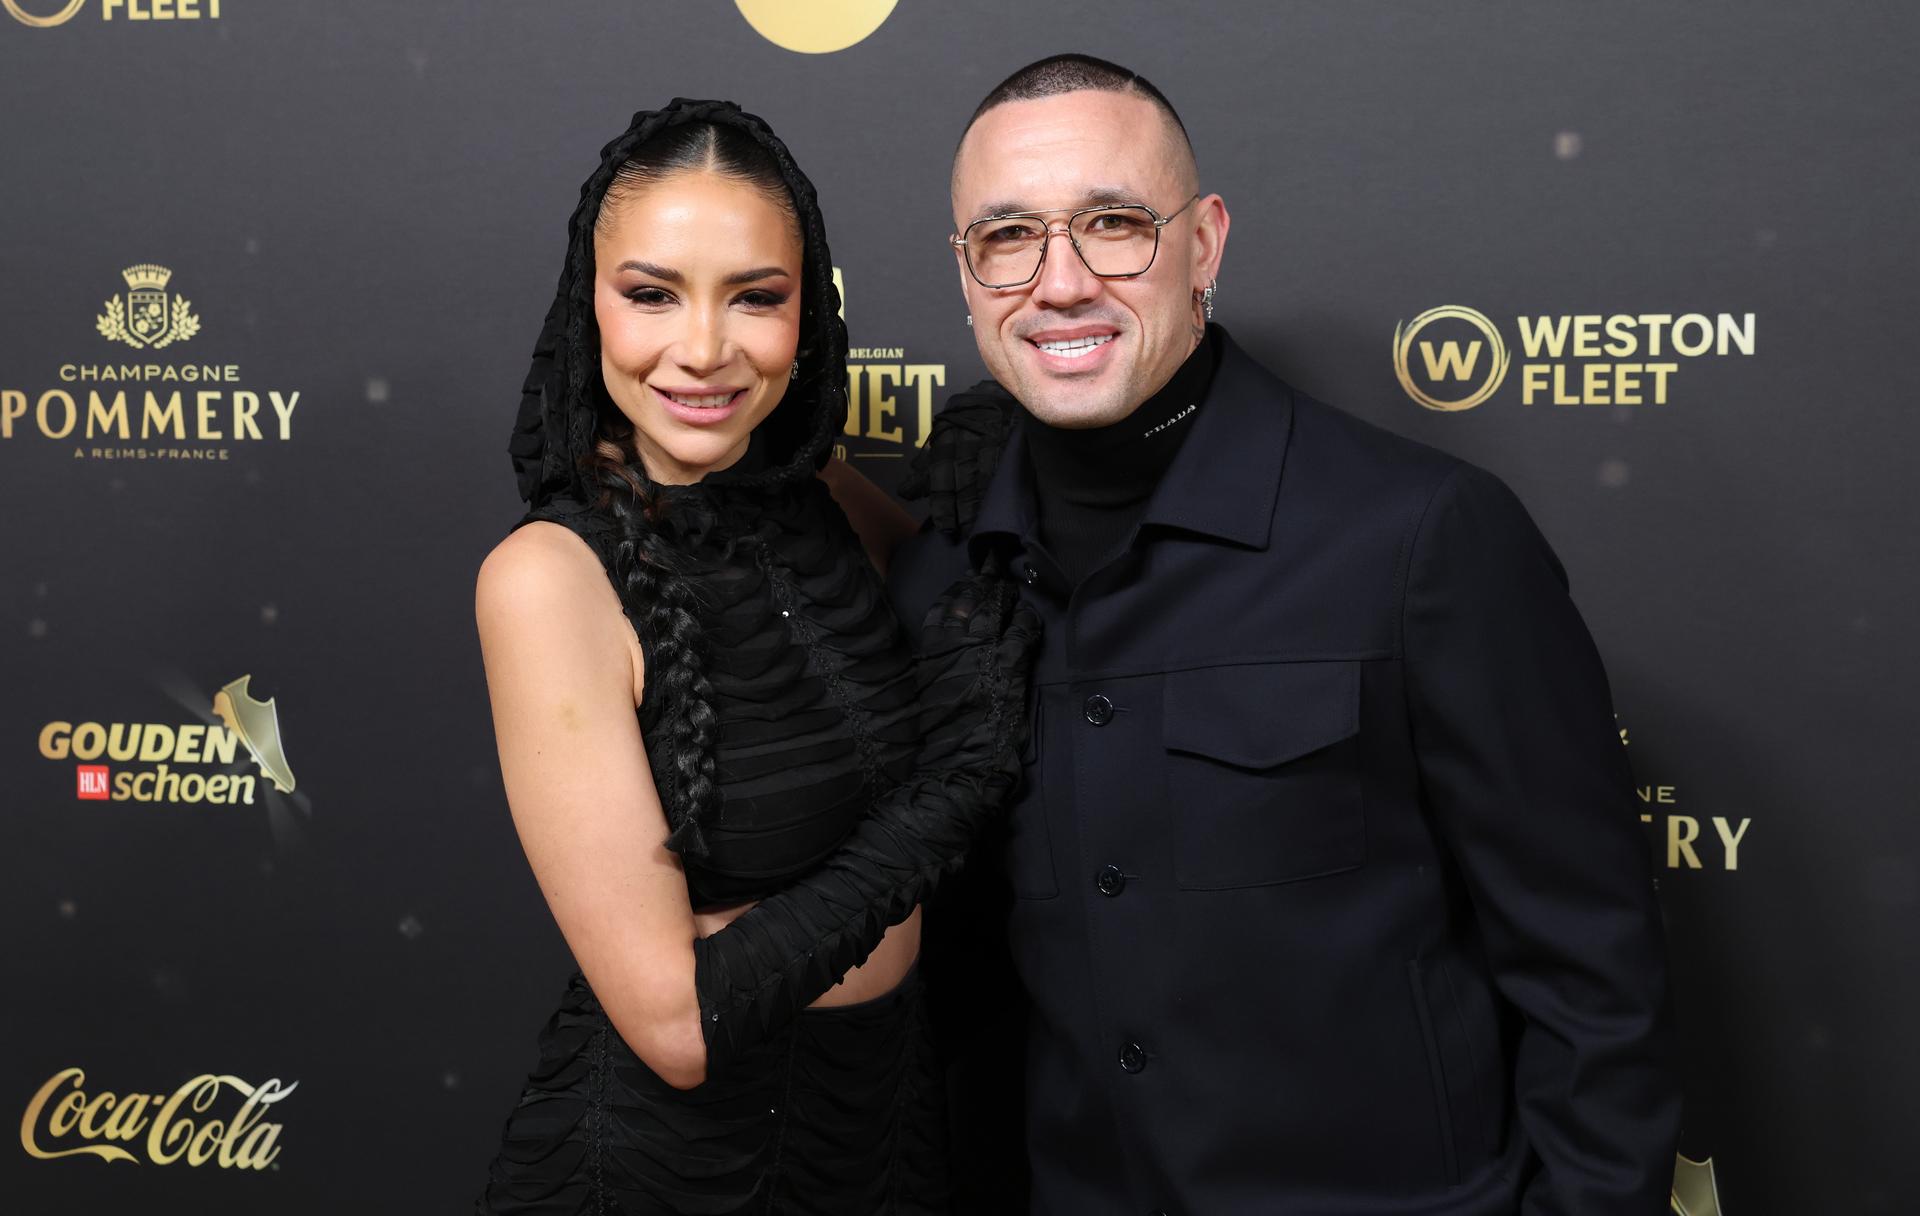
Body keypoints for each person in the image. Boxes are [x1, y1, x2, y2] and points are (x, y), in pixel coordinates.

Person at [891, 55, 1683, 1215]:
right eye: (1008, 237)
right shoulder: (944, 577)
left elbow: (1595, 980)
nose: (1060, 282)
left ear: (1204, 243)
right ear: (967, 275)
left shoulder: (1421, 537)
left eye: (1114, 225)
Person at [471, 98, 1038, 1215]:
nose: (703, 349)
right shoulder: (547, 579)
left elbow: (970, 609)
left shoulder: (818, 492)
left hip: (883, 1133)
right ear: (588, 305)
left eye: (756, 297)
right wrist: (947, 802)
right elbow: (678, 1021)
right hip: (675, 1171)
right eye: (652, 293)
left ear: (806, 313)